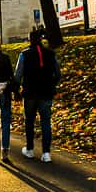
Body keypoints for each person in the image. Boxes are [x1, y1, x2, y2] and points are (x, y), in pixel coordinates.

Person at [14, 27, 61, 163]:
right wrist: (52, 84)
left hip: (30, 92)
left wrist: (17, 89)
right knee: (46, 122)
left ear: (30, 40)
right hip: (46, 92)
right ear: (41, 39)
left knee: (29, 121)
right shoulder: (50, 54)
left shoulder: (24, 54)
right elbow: (58, 74)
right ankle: (46, 153)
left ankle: (29, 149)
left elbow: (18, 75)